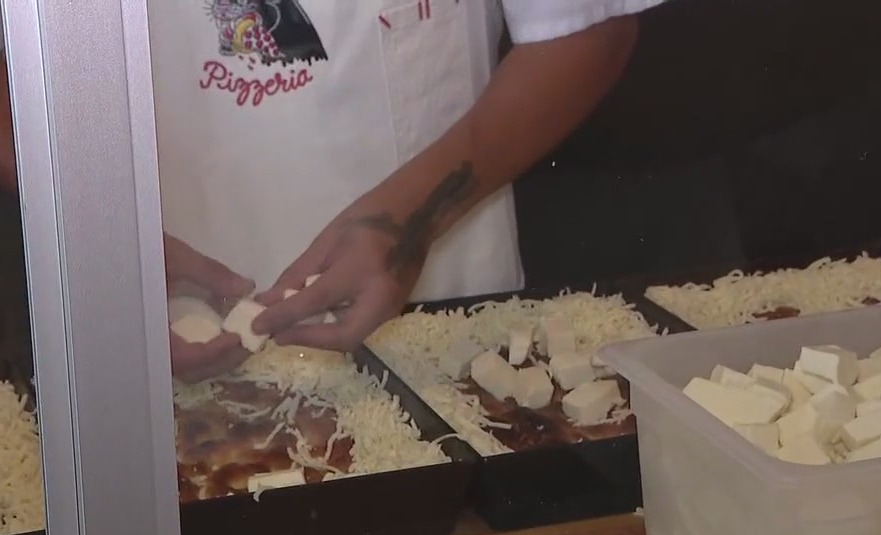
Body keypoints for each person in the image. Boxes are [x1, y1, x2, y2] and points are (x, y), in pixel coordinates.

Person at [1, 1, 665, 381]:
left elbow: (588, 24)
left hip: (430, 313)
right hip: (138, 309)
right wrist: (91, 229)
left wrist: (406, 222)